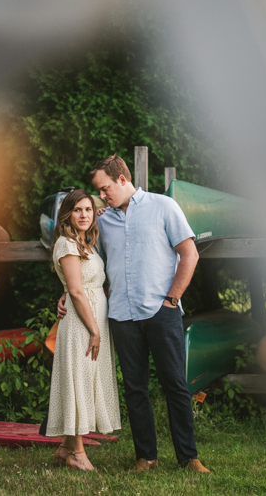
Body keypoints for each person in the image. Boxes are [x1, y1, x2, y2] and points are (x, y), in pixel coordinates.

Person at [58, 154, 210, 474]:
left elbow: (189, 253)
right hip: (122, 316)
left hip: (161, 310)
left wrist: (173, 299)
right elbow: (85, 262)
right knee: (135, 389)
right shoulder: (103, 219)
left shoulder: (164, 207)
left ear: (123, 180)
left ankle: (188, 457)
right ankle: (146, 457)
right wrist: (65, 294)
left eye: (104, 188)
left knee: (175, 386)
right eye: (98, 191)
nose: (101, 195)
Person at [46, 188, 121, 471]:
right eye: (77, 210)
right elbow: (76, 291)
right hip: (81, 323)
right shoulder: (66, 244)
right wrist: (94, 331)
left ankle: (66, 448)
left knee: (84, 379)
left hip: (91, 319)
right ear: (67, 213)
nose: (84, 215)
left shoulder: (85, 243)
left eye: (88, 210)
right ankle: (77, 453)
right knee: (77, 380)